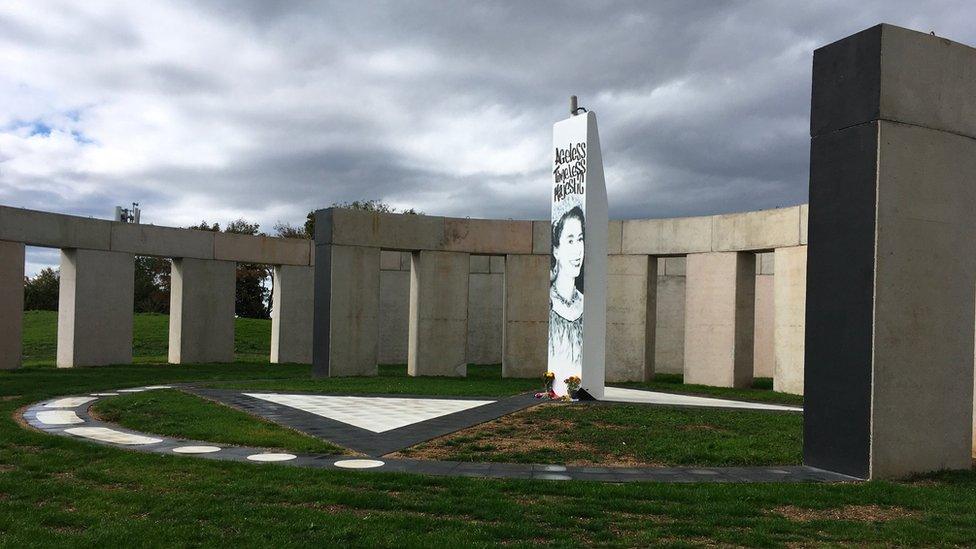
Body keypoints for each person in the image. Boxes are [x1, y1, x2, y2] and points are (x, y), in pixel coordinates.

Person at [548, 205, 584, 390]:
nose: (578, 250)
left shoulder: (585, 304)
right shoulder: (550, 303)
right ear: (556, 250)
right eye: (570, 241)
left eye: (580, 239)